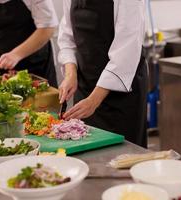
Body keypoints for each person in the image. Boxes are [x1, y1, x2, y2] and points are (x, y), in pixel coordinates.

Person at [58, 0, 148, 147]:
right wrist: (70, 73)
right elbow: (67, 38)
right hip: (85, 86)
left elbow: (125, 53)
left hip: (121, 95)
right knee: (84, 150)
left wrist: (93, 100)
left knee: (122, 156)